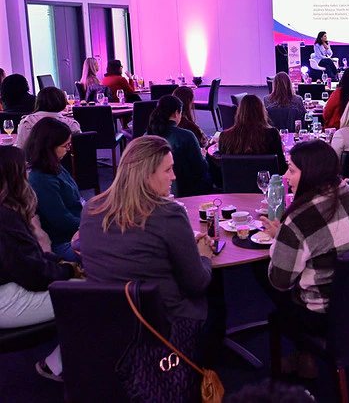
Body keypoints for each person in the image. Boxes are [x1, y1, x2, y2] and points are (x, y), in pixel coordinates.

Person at [80, 136, 214, 371]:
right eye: (168, 170)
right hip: (164, 326)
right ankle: (201, 371)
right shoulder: (169, 214)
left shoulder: (91, 209)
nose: (174, 176)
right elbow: (196, 283)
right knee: (215, 298)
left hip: (108, 324)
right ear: (146, 174)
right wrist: (203, 256)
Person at [260, 140, 349, 336]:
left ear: (310, 173)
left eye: (291, 170)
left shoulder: (300, 219)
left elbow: (280, 282)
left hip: (323, 316)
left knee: (262, 271)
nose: (286, 176)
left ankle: (300, 346)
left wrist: (279, 240)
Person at [0, 145, 81, 382]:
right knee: (92, 295)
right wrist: (67, 269)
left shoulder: (6, 212)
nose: (28, 174)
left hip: (9, 286)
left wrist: (60, 263)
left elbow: (28, 259)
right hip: (5, 300)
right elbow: (33, 275)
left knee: (83, 285)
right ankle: (59, 367)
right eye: (23, 169)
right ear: (14, 176)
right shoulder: (5, 218)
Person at [24, 118, 84, 262]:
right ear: (49, 147)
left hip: (77, 228)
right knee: (112, 250)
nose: (68, 149)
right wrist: (90, 224)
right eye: (65, 145)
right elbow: (61, 220)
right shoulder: (41, 179)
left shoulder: (54, 166)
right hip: (63, 241)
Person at [146, 95, 212, 197]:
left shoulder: (147, 136)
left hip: (153, 189)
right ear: (176, 113)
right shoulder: (186, 136)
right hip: (188, 189)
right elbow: (200, 169)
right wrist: (203, 156)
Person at [218, 95, 286, 172]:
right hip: (266, 178)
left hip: (234, 179)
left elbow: (223, 168)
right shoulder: (272, 134)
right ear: (262, 112)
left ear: (239, 112)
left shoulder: (225, 137)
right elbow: (281, 166)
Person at [15, 87, 82, 149]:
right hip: (64, 158)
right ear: (63, 102)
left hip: (34, 158)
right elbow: (79, 149)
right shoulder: (72, 124)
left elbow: (21, 148)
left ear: (38, 102)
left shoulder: (27, 122)